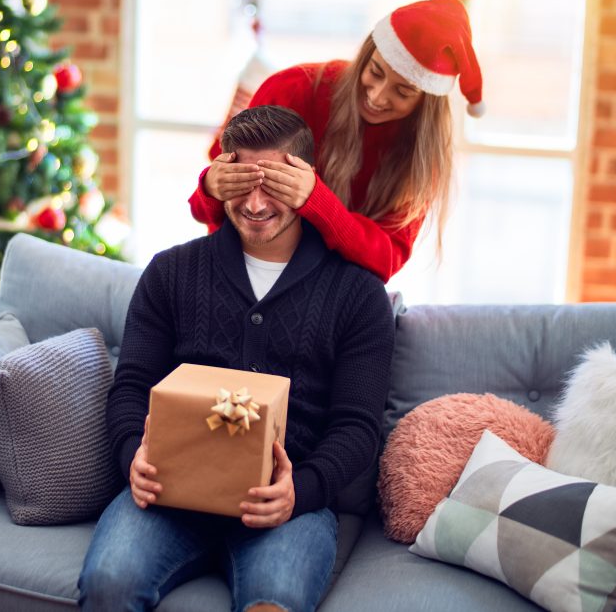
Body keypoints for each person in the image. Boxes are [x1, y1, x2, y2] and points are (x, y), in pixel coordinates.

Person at [78, 105, 395, 612]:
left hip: (287, 508)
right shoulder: (170, 273)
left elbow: (357, 427)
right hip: (170, 496)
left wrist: (301, 491)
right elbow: (131, 385)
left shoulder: (358, 294)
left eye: (271, 183)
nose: (253, 202)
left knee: (277, 602)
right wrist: (129, 456)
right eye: (242, 180)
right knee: (108, 583)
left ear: (305, 182)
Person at [188, 0, 485, 282]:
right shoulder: (293, 90)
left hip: (332, 297)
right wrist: (211, 187)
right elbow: (212, 209)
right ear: (365, 57)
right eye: (375, 72)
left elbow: (387, 258)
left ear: (425, 104)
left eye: (403, 92)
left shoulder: (420, 157)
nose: (378, 96)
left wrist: (315, 200)